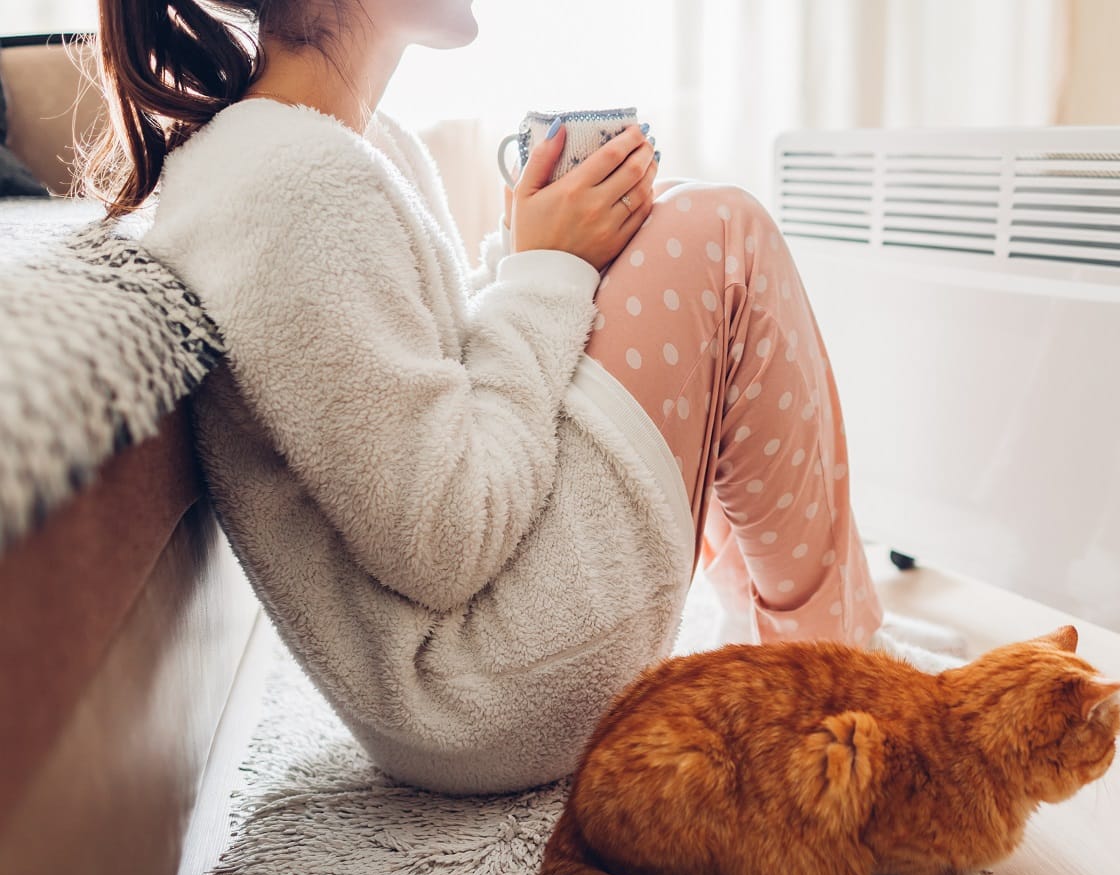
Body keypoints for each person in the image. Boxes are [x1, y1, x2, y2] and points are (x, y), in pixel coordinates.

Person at [85, 0, 961, 794]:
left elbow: (430, 379)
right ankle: (845, 681)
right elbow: (444, 540)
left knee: (684, 220)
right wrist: (544, 271)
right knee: (717, 230)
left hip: (480, 668)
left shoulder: (345, 148)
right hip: (479, 690)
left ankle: (823, 652)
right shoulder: (293, 187)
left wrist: (537, 254)